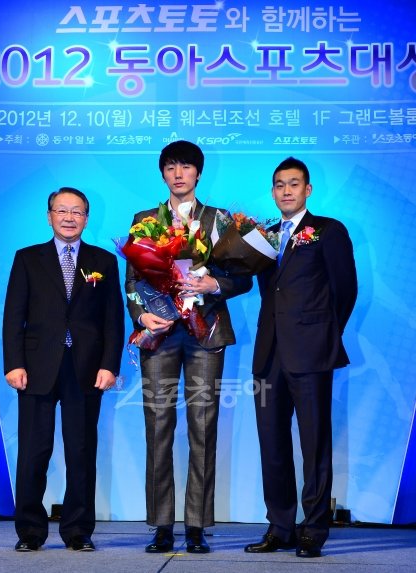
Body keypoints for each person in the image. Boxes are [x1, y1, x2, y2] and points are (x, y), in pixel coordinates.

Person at [125, 140, 252, 554]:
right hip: (161, 332)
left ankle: (196, 525)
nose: (178, 174)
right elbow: (132, 281)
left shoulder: (220, 219)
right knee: (157, 424)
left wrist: (213, 283)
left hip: (206, 330)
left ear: (198, 172)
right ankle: (162, 525)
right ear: (163, 173)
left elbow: (243, 277)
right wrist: (142, 316)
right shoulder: (145, 220)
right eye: (171, 167)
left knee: (203, 424)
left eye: (186, 167)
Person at [245, 157, 357, 558]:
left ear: (307, 189)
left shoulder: (328, 230)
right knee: (271, 443)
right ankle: (280, 526)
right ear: (272, 191)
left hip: (311, 352)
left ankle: (314, 527)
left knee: (314, 443)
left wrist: (322, 335)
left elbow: (345, 290)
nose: (286, 191)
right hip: (268, 353)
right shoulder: (264, 235)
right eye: (279, 184)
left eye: (293, 184)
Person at [3, 187, 124, 552]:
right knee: (33, 452)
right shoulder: (27, 258)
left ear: (86, 218)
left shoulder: (104, 261)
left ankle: (78, 531)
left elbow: (113, 320)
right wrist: (14, 363)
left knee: (81, 452)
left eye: (77, 211)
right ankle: (30, 532)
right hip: (36, 368)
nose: (69, 217)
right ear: (49, 216)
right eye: (62, 210)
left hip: (85, 369)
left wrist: (109, 365)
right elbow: (13, 316)